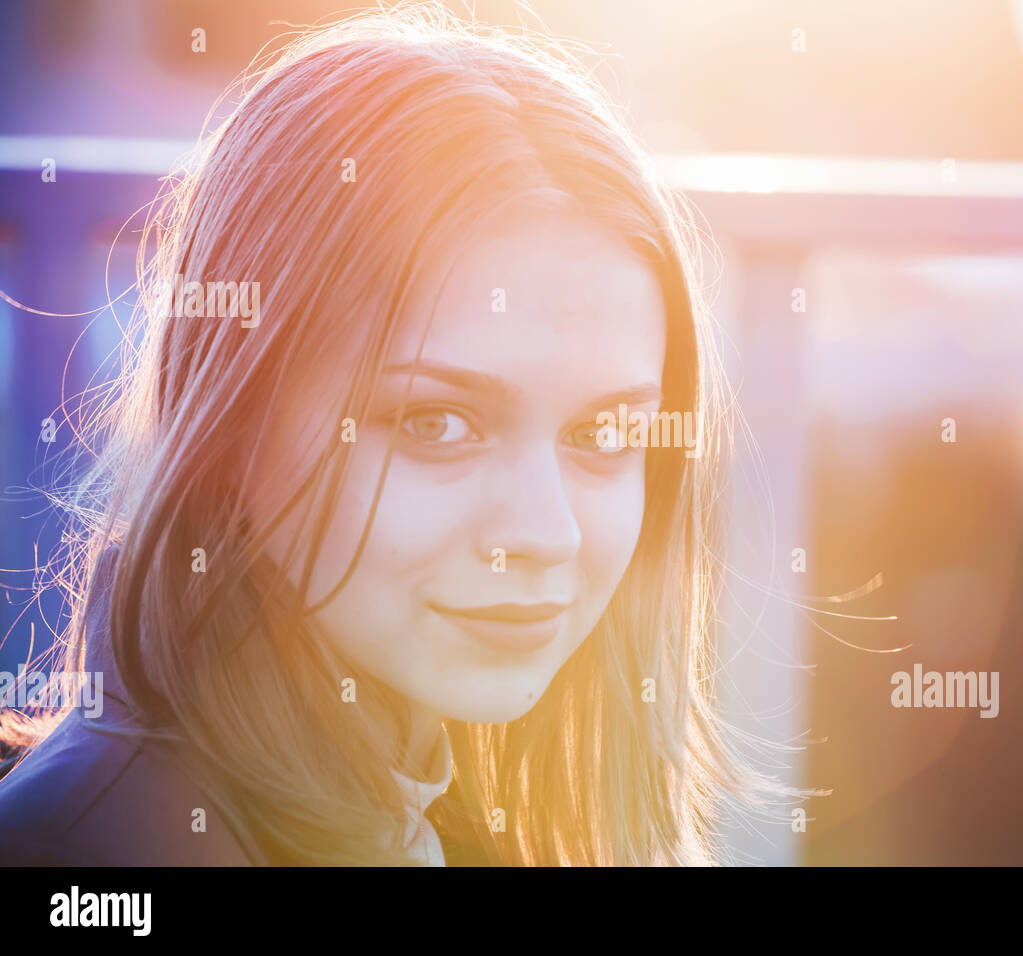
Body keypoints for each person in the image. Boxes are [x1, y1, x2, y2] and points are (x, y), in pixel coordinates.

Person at [0, 4, 790, 866]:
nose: (544, 534)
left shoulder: (443, 805)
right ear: (234, 422)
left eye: (604, 432)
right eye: (437, 424)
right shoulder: (86, 852)